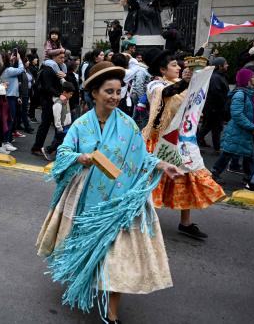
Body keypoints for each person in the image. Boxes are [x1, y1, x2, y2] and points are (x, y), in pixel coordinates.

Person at [36, 61, 182, 324]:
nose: (115, 97)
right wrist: (82, 157)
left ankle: (112, 315)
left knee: (115, 259)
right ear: (94, 93)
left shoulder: (128, 124)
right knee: (88, 251)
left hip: (119, 204)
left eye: (118, 91)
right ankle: (82, 276)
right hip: (86, 203)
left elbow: (142, 156)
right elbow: (63, 154)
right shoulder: (81, 125)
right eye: (109, 91)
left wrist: (162, 164)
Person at [143, 49, 225, 239]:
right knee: (151, 182)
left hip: (182, 140)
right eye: (173, 65)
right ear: (162, 70)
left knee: (187, 178)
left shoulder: (182, 85)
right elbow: (167, 93)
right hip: (159, 141)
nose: (178, 68)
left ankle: (185, 222)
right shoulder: (155, 85)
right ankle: (143, 218)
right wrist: (186, 82)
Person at [211, 69, 254, 186]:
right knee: (229, 152)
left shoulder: (251, 93)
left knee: (249, 154)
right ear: (247, 80)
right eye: (253, 77)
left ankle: (249, 177)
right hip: (238, 130)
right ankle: (214, 173)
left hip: (247, 130)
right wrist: (252, 127)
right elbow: (237, 114)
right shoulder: (240, 94)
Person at [31, 51, 66, 156]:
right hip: (48, 100)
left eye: (64, 58)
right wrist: (59, 94)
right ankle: (37, 147)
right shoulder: (48, 69)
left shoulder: (59, 68)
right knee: (46, 124)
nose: (63, 60)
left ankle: (55, 147)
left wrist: (64, 76)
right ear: (54, 57)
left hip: (55, 100)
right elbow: (47, 87)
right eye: (61, 57)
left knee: (57, 125)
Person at [197, 57, 229, 152]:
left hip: (214, 107)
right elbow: (216, 93)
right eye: (225, 63)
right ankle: (216, 148)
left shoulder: (219, 76)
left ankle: (215, 147)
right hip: (214, 108)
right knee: (211, 127)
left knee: (212, 127)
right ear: (220, 66)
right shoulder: (215, 77)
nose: (227, 65)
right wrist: (223, 104)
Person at [40, 81, 76, 161]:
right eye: (70, 93)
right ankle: (47, 150)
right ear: (64, 92)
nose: (71, 95)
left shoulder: (66, 99)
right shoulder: (58, 103)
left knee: (60, 141)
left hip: (66, 125)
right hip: (61, 126)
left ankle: (57, 154)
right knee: (59, 141)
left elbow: (65, 83)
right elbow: (57, 117)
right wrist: (59, 127)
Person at [1, 51, 25, 151]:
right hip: (9, 98)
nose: (12, 57)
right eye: (9, 56)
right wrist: (19, 59)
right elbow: (21, 69)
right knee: (9, 120)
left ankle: (8, 139)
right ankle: (6, 141)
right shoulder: (8, 70)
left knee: (8, 119)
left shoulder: (5, 70)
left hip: (10, 97)